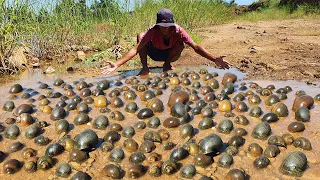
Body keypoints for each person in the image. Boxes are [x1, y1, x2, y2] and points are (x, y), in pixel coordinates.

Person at [101, 8, 231, 75]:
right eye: (162, 27)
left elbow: (195, 47)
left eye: (167, 26)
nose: (165, 30)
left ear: (172, 24)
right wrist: (117, 64)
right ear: (157, 25)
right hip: (155, 53)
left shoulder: (179, 31)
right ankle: (145, 68)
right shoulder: (153, 30)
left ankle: (166, 64)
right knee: (141, 36)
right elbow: (137, 48)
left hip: (170, 54)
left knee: (181, 43)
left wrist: (214, 59)